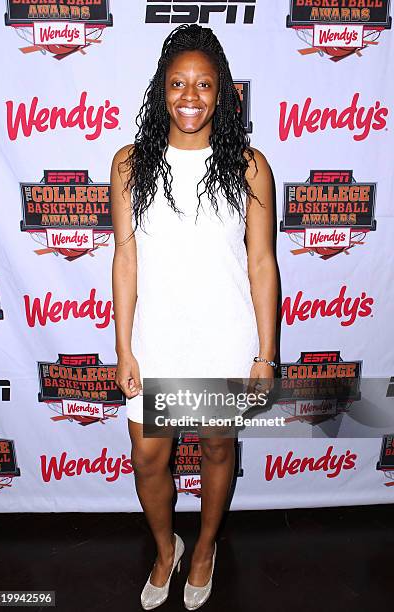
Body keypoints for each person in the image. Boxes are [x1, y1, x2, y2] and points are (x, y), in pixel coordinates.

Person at [110, 24, 278, 610]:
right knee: (149, 455)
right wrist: (125, 347)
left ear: (224, 93)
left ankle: (204, 547)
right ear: (161, 90)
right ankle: (166, 549)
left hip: (221, 336)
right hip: (157, 338)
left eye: (204, 85)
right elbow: (125, 257)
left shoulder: (250, 167)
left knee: (214, 449)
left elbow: (261, 263)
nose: (190, 96)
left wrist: (264, 354)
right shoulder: (131, 165)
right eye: (178, 83)